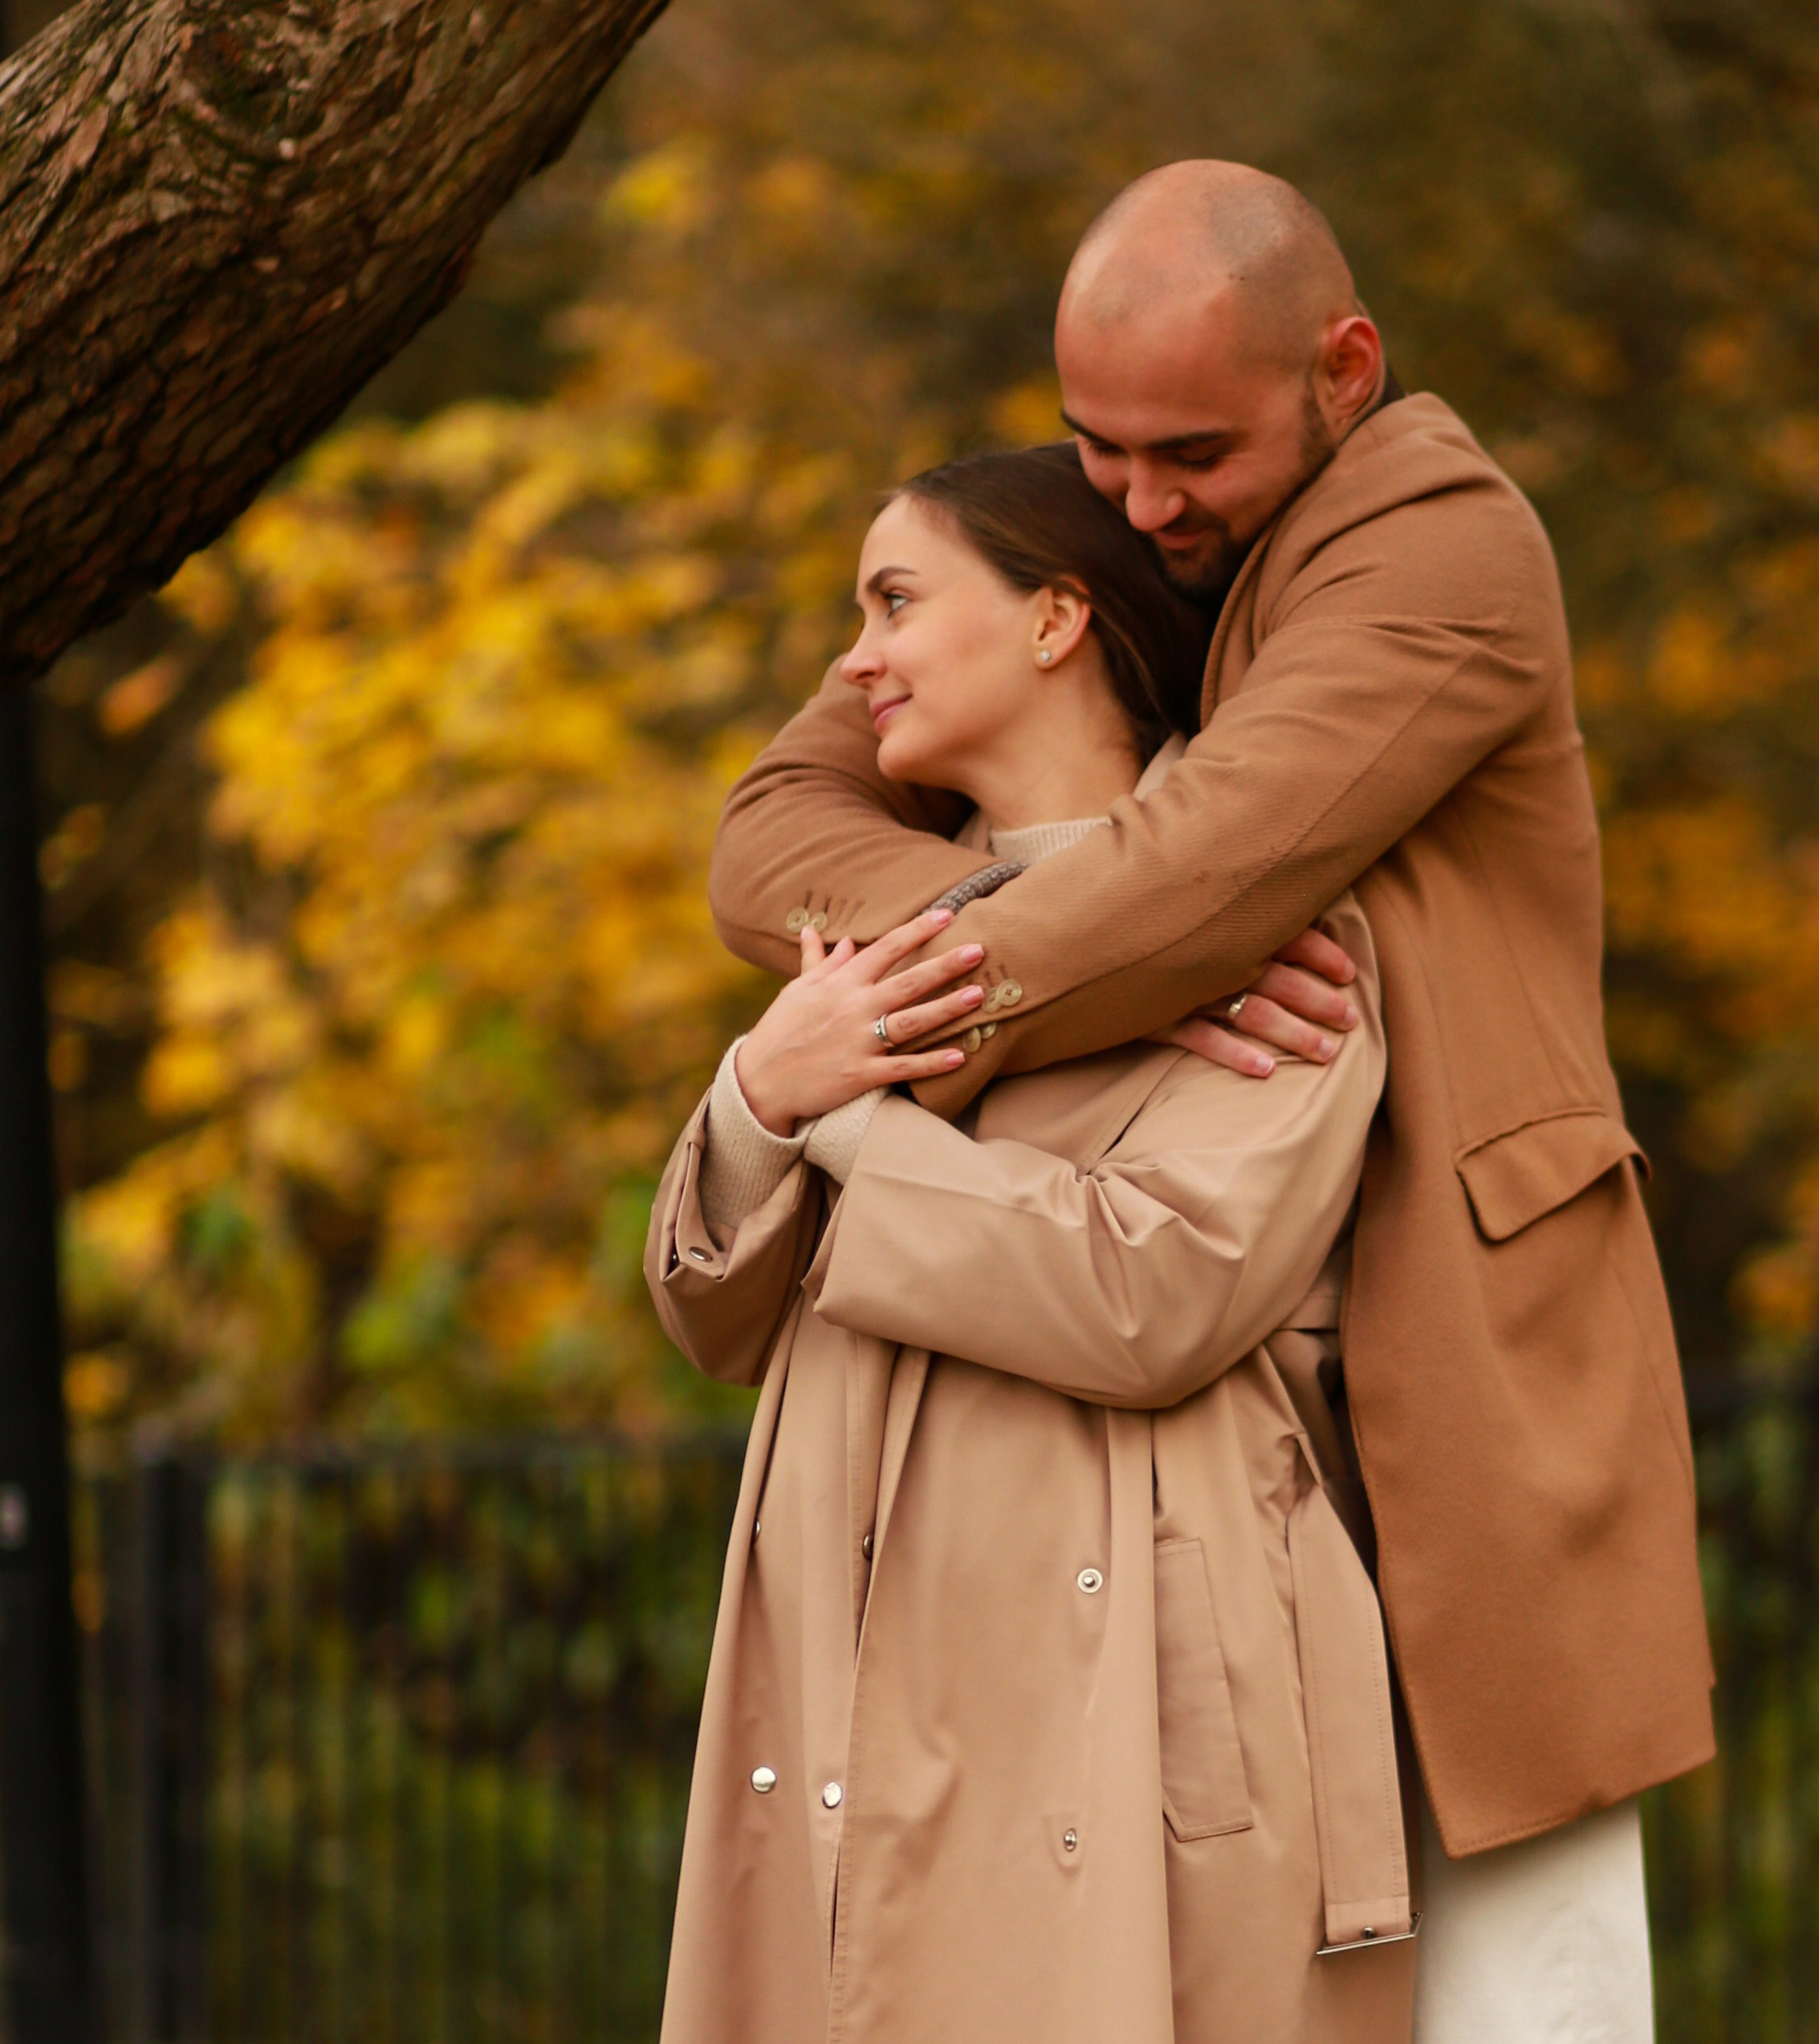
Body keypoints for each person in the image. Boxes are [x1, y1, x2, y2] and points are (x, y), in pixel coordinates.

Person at [706, 161, 1713, 2041]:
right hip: (1225, 1460)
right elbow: (771, 832)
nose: (1141, 498)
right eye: (1096, 450)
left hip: (1453, 1377)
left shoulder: (1440, 551)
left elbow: (1182, 888)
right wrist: (980, 938)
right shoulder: (1087, 543)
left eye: (1187, 449)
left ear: (1343, 368)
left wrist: (951, 1015)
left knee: (1516, 2005)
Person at [649, 442, 1413, 2044]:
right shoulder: (871, 942)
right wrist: (754, 1095)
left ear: (1057, 616)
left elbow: (1147, 1288)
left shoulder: (1284, 946)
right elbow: (714, 1318)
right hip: (862, 1675)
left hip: (1129, 1719)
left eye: (894, 600)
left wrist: (841, 1111)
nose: (852, 657)